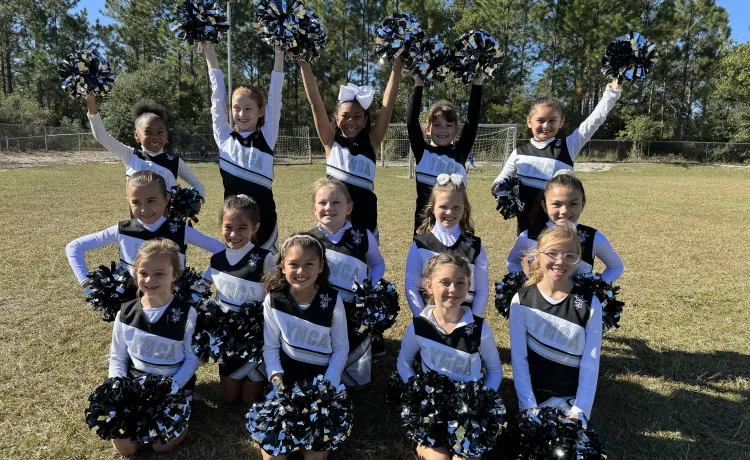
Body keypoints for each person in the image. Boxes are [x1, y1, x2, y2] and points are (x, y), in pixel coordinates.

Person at [397, 252, 502, 460]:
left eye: (460, 282)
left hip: (467, 413)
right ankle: (423, 444)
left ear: (468, 285)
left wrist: (481, 401)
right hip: (433, 411)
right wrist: (420, 394)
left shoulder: (479, 329)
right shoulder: (419, 326)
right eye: (445, 282)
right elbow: (404, 363)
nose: (453, 289)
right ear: (429, 286)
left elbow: (495, 370)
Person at [492, 79, 623, 235]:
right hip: (526, 228)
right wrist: (502, 192)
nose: (546, 125)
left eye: (552, 121)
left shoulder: (568, 146)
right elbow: (499, 182)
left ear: (561, 122)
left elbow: (594, 122)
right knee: (528, 259)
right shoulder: (519, 153)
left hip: (559, 228)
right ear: (529, 122)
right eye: (540, 120)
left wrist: (612, 92)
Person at [107, 238, 200, 456]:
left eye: (160, 273)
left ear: (175, 275)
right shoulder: (125, 312)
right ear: (135, 273)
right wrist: (118, 386)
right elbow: (117, 357)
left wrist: (172, 387)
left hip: (170, 389)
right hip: (136, 387)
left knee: (161, 446)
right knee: (125, 448)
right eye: (144, 273)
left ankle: (182, 419)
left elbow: (192, 358)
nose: (150, 280)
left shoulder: (187, 314)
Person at [260, 233, 349, 460]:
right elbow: (270, 346)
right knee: (273, 457)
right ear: (282, 267)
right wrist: (276, 378)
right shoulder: (274, 299)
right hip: (287, 384)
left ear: (320, 267)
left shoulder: (332, 299)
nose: (301, 271)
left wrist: (327, 385)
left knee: (313, 457)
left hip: (321, 386)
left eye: (309, 264)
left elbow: (340, 349)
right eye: (294, 265)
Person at [299, 57, 403, 239]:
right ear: (337, 119)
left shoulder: (372, 141)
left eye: (357, 116)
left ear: (365, 120)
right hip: (335, 221)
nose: (351, 121)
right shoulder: (331, 141)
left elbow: (388, 107)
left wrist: (397, 65)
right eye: (345, 116)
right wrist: (304, 63)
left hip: (366, 222)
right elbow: (315, 102)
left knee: (366, 266)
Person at [509, 223, 602, 423]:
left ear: (577, 260)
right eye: (552, 253)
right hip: (534, 402)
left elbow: (590, 364)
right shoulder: (521, 300)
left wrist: (579, 411)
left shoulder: (589, 304)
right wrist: (528, 407)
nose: (560, 261)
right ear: (538, 255)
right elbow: (519, 360)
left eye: (569, 255)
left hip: (571, 404)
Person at [65, 170, 224, 287]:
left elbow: (220, 249)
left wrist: (206, 281)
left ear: (166, 199)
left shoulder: (179, 230)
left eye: (151, 201)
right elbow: (74, 246)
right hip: (134, 302)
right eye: (136, 202)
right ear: (128, 200)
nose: (144, 209)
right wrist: (86, 282)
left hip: (174, 302)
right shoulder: (122, 230)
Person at [203, 42, 285, 252]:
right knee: (238, 270)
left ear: (260, 111)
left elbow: (275, 97)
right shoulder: (224, 137)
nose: (242, 113)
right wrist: (211, 56)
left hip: (265, 218)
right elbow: (216, 98)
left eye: (248, 108)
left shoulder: (266, 137)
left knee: (267, 274)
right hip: (234, 221)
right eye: (237, 108)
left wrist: (279, 54)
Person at [307, 178, 386, 384]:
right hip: (320, 317)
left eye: (336, 203)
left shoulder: (363, 235)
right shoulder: (308, 240)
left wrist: (367, 287)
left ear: (349, 208)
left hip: (353, 315)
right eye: (322, 203)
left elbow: (378, 264)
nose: (329, 208)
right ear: (314, 209)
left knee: (359, 386)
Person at [203, 194, 276, 404]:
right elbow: (202, 286)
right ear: (221, 226)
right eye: (228, 227)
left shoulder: (264, 258)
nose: (234, 234)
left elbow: (274, 297)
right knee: (229, 399)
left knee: (249, 401)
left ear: (255, 227)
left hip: (255, 340)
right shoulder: (216, 260)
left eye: (243, 227)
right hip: (228, 341)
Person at [85, 93, 205, 204]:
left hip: (168, 225)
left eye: (160, 132)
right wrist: (91, 102)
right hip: (138, 226)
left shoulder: (175, 162)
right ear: (136, 135)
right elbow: (101, 135)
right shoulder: (130, 155)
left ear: (166, 134)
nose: (155, 137)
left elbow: (198, 186)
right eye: (148, 132)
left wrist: (195, 203)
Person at [506, 170, 623, 283]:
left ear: (583, 204)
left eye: (573, 204)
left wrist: (593, 290)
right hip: (536, 303)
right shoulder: (528, 236)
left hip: (577, 303)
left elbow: (616, 267)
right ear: (545, 206)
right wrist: (525, 286)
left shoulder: (593, 238)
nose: (564, 211)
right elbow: (512, 261)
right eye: (556, 204)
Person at [407, 74, 484, 231]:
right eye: (437, 125)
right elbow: (411, 122)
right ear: (428, 129)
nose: (442, 130)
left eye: (449, 125)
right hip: (425, 227)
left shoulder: (460, 153)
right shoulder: (423, 153)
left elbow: (472, 121)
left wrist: (477, 83)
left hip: (455, 226)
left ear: (456, 130)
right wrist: (418, 85)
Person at [405, 174, 489, 317]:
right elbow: (411, 287)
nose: (449, 212)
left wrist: (472, 321)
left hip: (464, 320)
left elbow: (482, 290)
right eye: (443, 206)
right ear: (432, 208)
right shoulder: (420, 244)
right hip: (431, 322)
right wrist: (423, 320)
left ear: (465, 209)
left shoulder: (475, 246)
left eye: (456, 207)